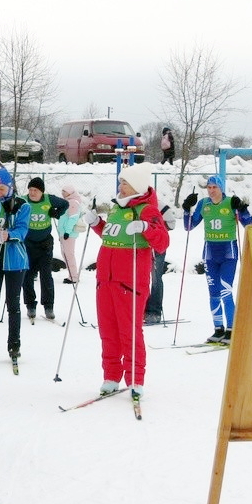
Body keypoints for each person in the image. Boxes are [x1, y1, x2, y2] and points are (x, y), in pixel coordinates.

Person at [84, 162, 169, 396]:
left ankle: (135, 379)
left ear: (137, 187)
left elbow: (162, 242)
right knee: (108, 330)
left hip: (130, 282)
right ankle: (111, 376)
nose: (120, 186)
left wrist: (145, 227)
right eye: (121, 182)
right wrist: (96, 224)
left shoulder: (147, 210)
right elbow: (113, 236)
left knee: (129, 331)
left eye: (125, 183)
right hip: (106, 280)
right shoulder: (116, 208)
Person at [182, 174, 252, 344]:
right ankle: (218, 329)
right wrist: (186, 209)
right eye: (209, 187)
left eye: (215, 187)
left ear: (221, 188)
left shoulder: (231, 202)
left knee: (225, 291)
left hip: (228, 252)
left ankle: (231, 329)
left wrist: (242, 209)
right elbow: (188, 226)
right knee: (213, 293)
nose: (212, 190)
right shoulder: (203, 204)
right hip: (210, 253)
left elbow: (250, 226)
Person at [0, 166, 29, 361]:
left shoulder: (22, 206)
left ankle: (14, 344)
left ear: (10, 187)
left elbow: (22, 231)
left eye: (2, 189)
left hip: (15, 260)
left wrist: (7, 235)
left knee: (13, 303)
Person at [22, 176, 68, 321]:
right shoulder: (23, 200)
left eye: (35, 190)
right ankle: (30, 305)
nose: (32, 193)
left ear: (41, 191)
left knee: (46, 275)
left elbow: (65, 204)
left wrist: (56, 212)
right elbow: (11, 207)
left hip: (45, 244)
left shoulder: (49, 199)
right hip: (28, 243)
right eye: (30, 190)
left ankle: (48, 306)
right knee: (27, 275)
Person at [144, 203, 177, 325]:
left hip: (157, 246)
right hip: (140, 247)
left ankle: (154, 312)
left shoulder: (159, 205)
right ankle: (141, 309)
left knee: (156, 278)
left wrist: (157, 229)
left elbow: (172, 224)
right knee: (140, 278)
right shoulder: (133, 204)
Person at [56, 184, 83, 284]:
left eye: (65, 191)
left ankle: (73, 277)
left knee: (69, 255)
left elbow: (73, 218)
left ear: (70, 192)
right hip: (64, 233)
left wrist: (67, 232)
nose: (63, 193)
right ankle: (72, 275)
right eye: (62, 191)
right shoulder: (67, 202)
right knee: (65, 254)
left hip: (69, 234)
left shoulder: (72, 203)